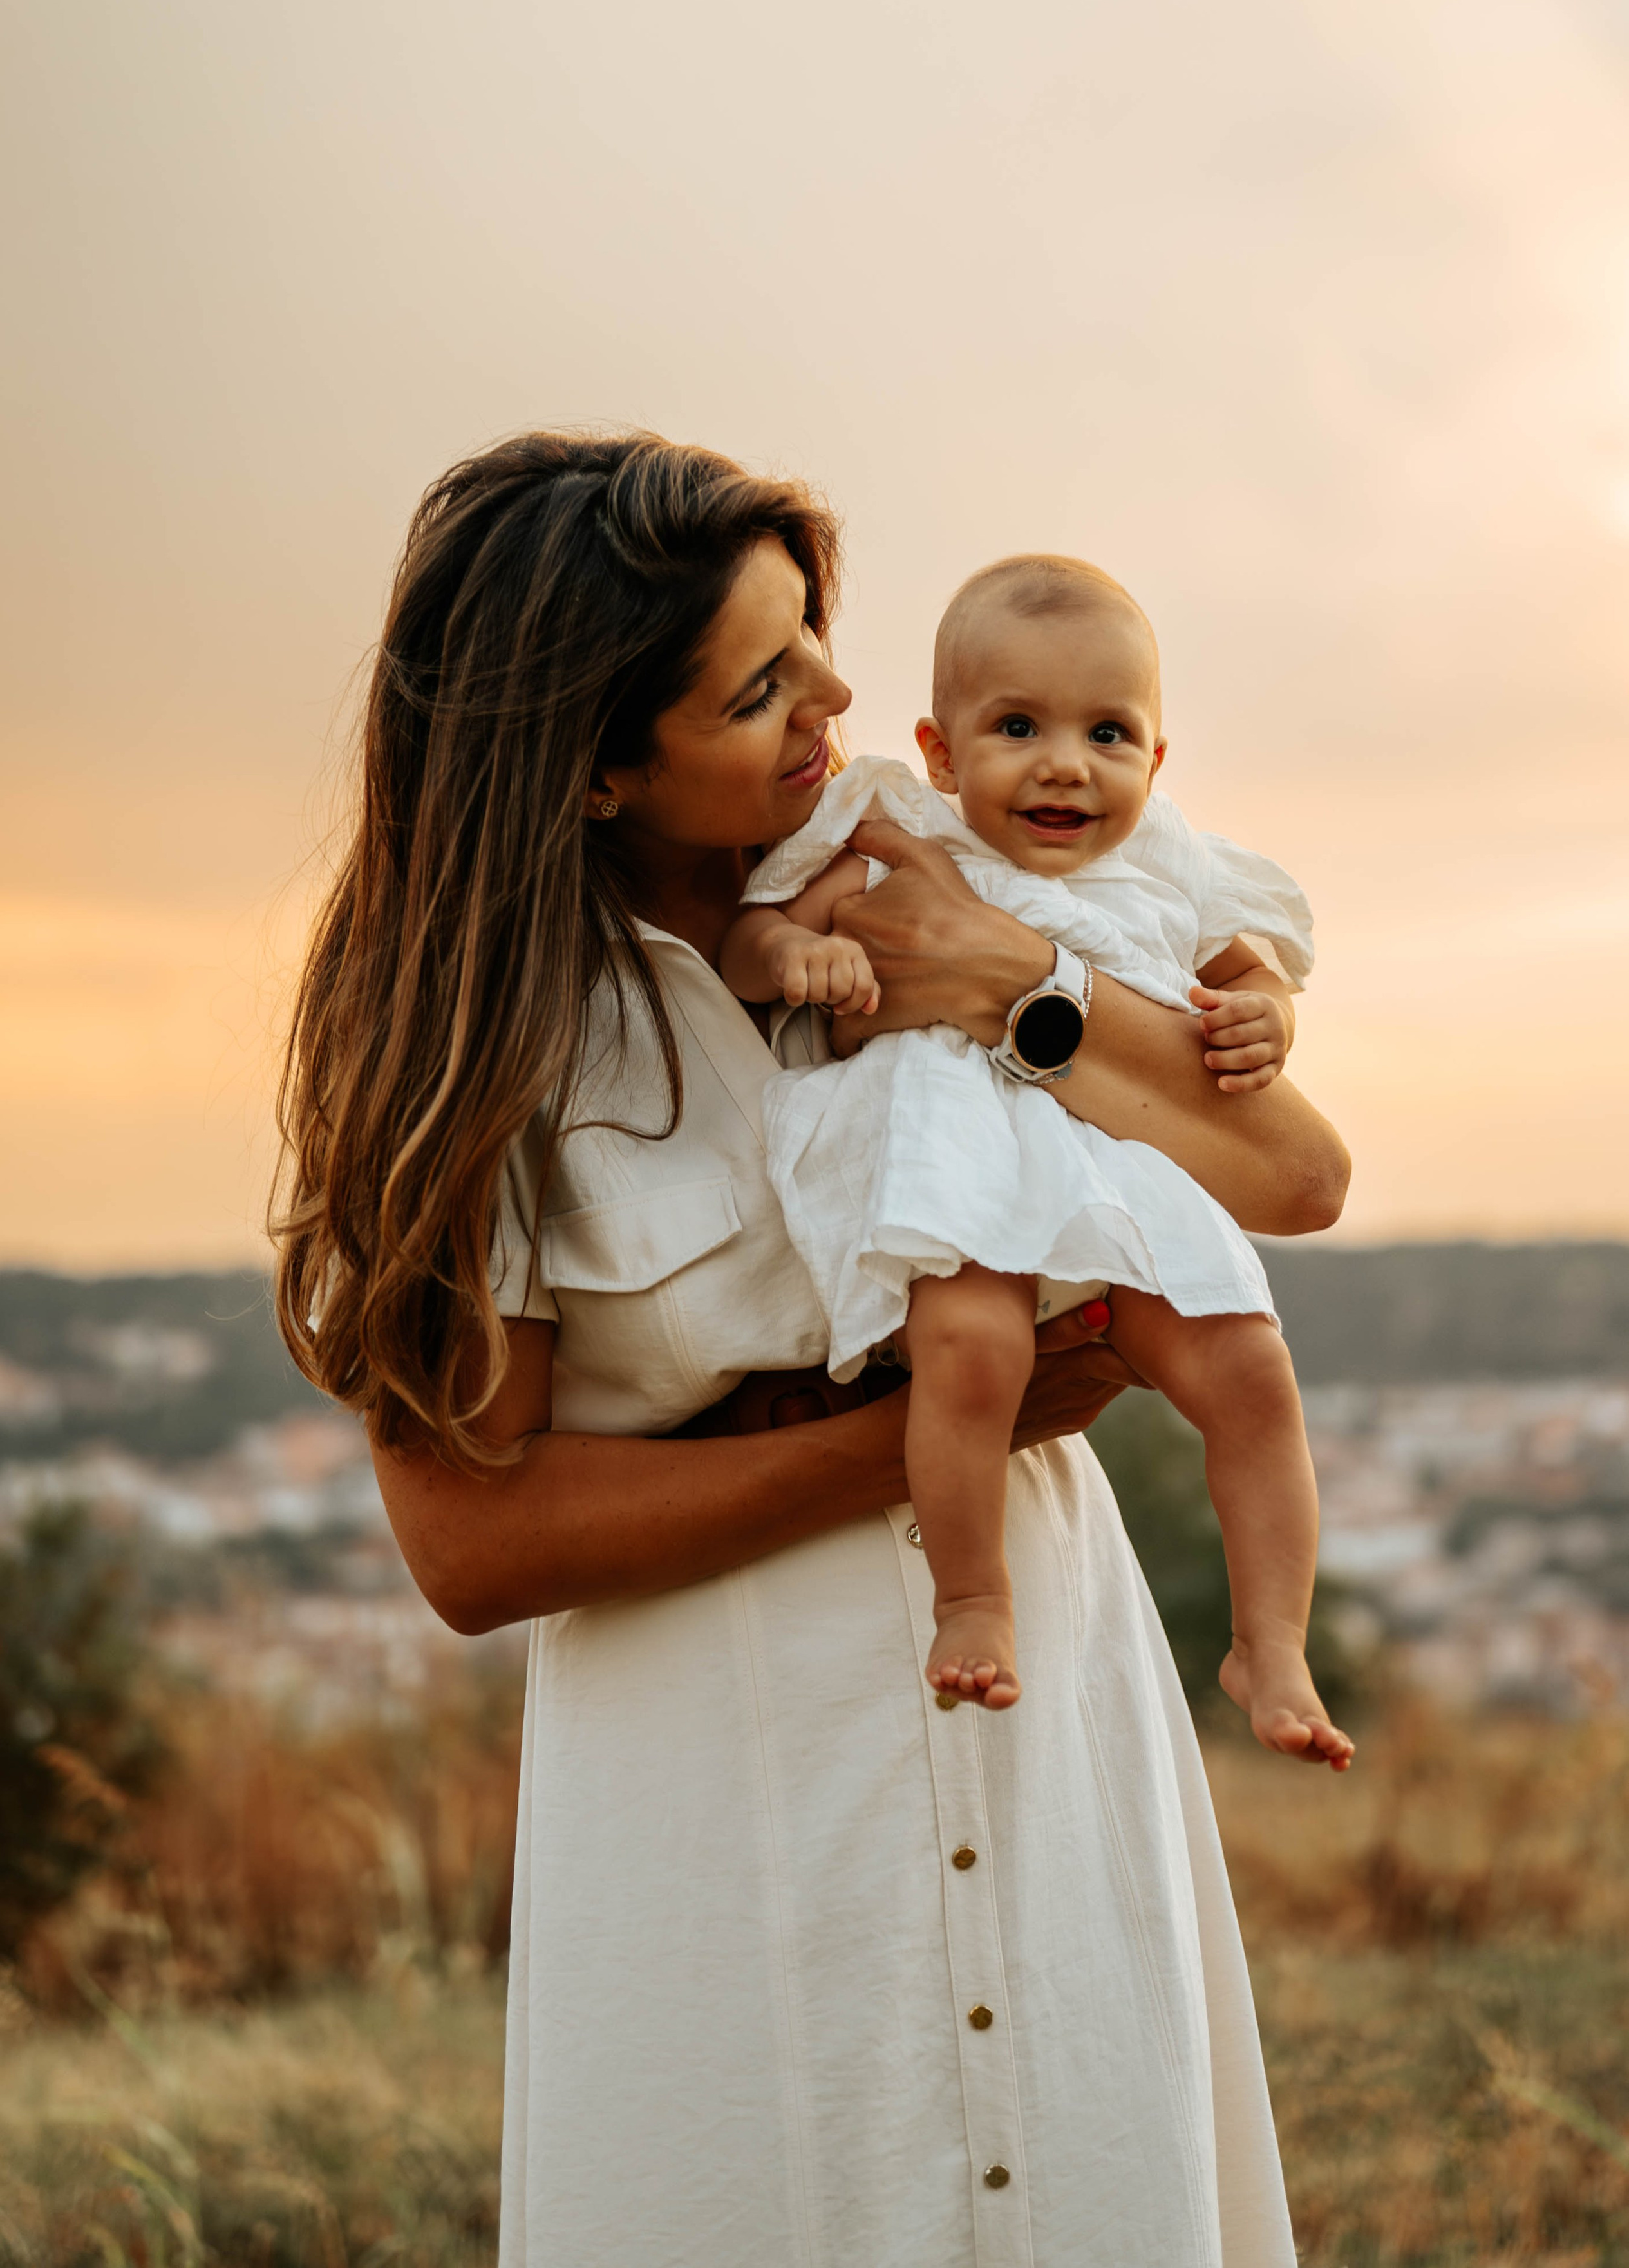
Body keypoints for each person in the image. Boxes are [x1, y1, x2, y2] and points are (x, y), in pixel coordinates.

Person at [274, 429, 1351, 2268]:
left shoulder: (939, 865)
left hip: (1054, 1729)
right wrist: (927, 1432)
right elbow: (472, 1541)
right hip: (725, 1797)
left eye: (816, 643)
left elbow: (1296, 1178)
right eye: (759, 687)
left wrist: (1012, 983)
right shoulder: (483, 1047)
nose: (835, 704)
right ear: (595, 764)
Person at [720, 554, 1355, 1763]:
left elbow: (1255, 968)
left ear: (1155, 760)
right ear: (941, 752)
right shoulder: (895, 834)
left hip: (1117, 1167)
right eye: (1018, 727)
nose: (1067, 763)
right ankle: (973, 1597)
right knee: (974, 1351)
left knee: (1250, 1370)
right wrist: (793, 959)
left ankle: (1270, 1641)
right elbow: (756, 935)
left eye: (1107, 733)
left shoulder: (1170, 861)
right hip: (965, 1161)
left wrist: (1266, 1016)